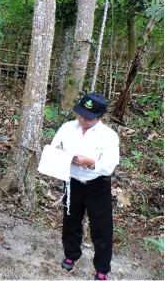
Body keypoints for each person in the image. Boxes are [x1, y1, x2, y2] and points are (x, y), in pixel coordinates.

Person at [50, 92, 119, 281]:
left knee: (101, 228)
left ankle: (102, 269)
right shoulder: (67, 128)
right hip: (72, 183)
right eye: (80, 115)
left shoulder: (109, 136)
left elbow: (110, 164)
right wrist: (59, 154)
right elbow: (55, 146)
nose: (82, 120)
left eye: (88, 118)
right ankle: (71, 255)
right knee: (71, 221)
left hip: (97, 186)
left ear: (101, 117)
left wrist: (89, 161)